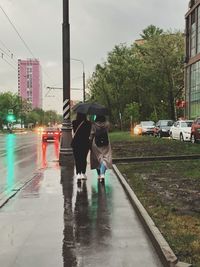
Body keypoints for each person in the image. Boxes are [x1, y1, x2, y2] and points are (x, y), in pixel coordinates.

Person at [90, 115, 112, 182]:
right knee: (105, 158)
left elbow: (92, 134)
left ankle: (99, 175)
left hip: (96, 143)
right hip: (106, 143)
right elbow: (109, 130)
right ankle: (103, 174)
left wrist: (90, 142)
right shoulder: (107, 124)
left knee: (97, 159)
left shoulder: (94, 124)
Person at [72, 112, 91, 181]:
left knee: (77, 159)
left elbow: (74, 132)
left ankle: (78, 174)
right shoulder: (89, 123)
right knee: (83, 158)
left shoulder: (74, 122)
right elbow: (88, 134)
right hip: (85, 143)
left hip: (76, 143)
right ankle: (83, 173)